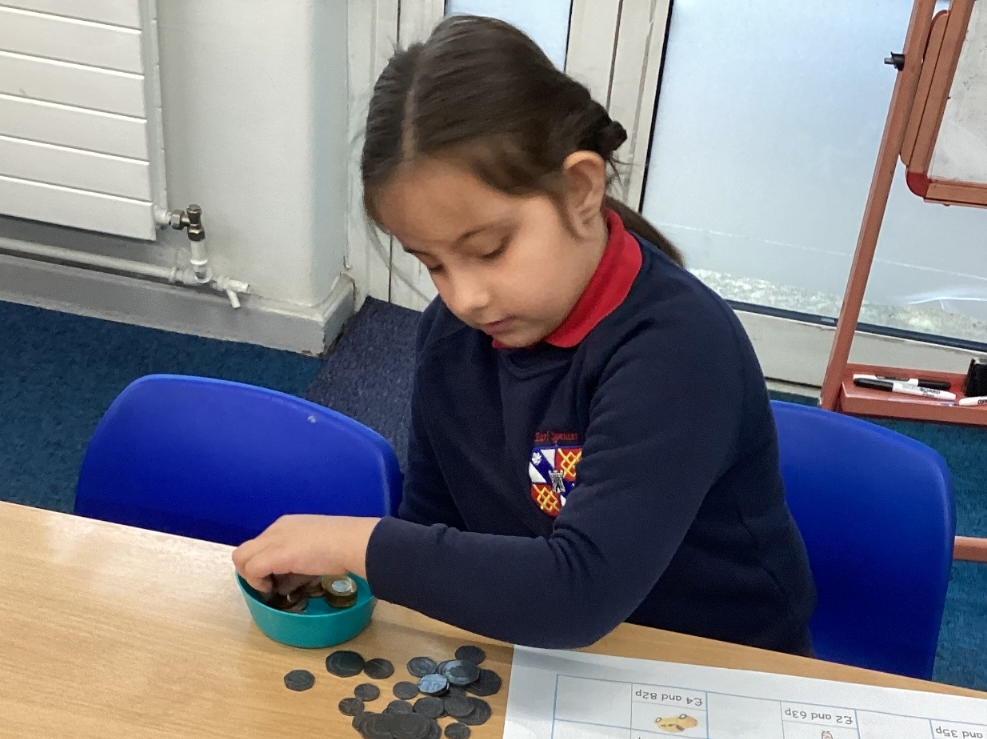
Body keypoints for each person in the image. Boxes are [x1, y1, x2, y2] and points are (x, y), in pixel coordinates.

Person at [232, 14, 816, 654]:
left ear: (581, 188)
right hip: (546, 647)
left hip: (715, 661)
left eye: (489, 249)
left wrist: (357, 545)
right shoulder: (453, 336)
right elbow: (435, 518)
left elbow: (578, 593)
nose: (465, 297)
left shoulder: (678, 349)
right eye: (433, 264)